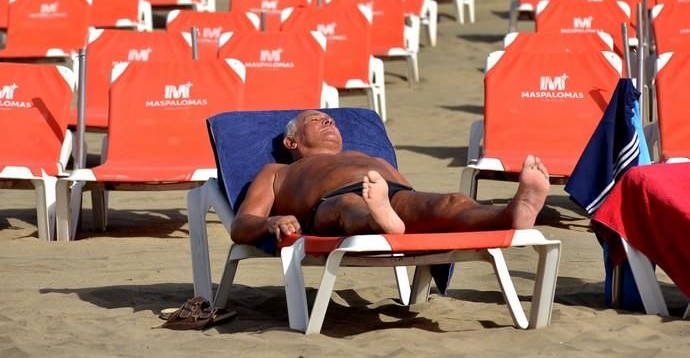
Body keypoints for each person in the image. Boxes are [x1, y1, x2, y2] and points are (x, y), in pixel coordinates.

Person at [230, 110, 550, 245]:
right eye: (317, 120)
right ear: (291, 142)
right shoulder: (277, 172)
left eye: (331, 120)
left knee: (452, 202)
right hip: (329, 205)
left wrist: (422, 212)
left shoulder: (368, 158)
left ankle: (511, 214)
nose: (329, 121)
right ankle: (378, 219)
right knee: (351, 206)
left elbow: (409, 194)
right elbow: (240, 225)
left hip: (391, 197)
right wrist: (269, 223)